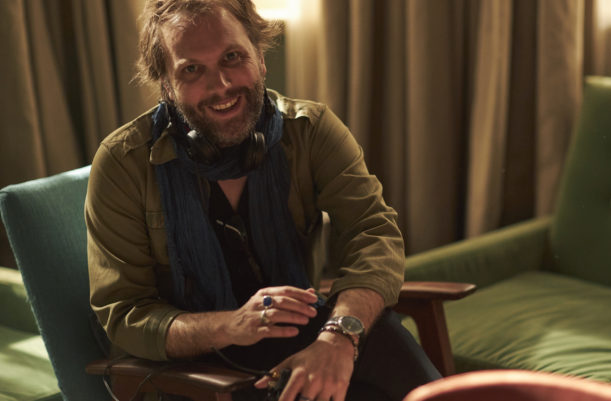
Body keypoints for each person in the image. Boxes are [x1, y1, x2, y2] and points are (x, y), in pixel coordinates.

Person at [85, 0, 440, 400]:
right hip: (193, 370)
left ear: (260, 56)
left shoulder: (310, 130)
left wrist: (338, 337)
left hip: (299, 335)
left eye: (232, 57)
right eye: (192, 69)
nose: (221, 84)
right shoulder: (122, 164)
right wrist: (233, 324)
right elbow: (125, 314)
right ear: (166, 85)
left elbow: (373, 234)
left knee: (385, 343)